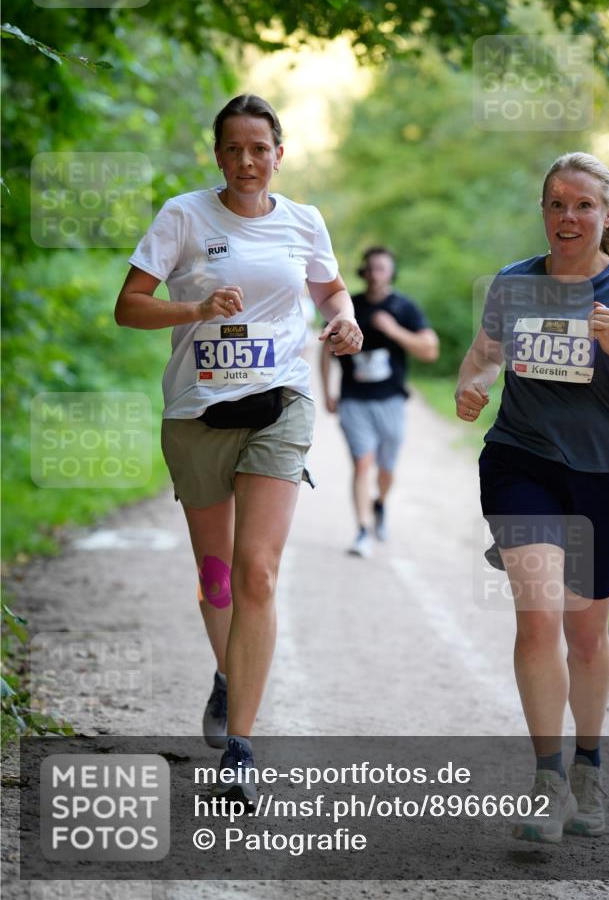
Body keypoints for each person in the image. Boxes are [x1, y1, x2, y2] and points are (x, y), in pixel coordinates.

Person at [115, 94, 362, 804]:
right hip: (197, 412)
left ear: (279, 154)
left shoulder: (304, 222)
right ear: (217, 156)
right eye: (234, 149)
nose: (248, 161)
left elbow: (332, 293)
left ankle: (243, 749)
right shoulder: (183, 216)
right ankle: (228, 672)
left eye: (261, 148)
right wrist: (193, 308)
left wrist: (344, 323)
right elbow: (127, 306)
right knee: (217, 576)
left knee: (256, 573)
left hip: (280, 404)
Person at [455, 151, 609, 843]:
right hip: (523, 463)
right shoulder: (515, 284)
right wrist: (472, 384)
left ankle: (587, 765)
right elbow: (486, 350)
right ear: (542, 214)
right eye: (555, 204)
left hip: (605, 477)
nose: (567, 216)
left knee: (584, 632)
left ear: (606, 216)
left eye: (581, 204)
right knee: (538, 617)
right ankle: (547, 781)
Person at [321, 246, 439, 556]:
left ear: (391, 272)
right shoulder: (350, 306)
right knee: (363, 463)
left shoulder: (404, 308)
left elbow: (430, 350)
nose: (376, 274)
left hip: (391, 400)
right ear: (363, 271)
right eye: (371, 268)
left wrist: (394, 330)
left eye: (382, 269)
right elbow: (324, 348)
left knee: (386, 468)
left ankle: (380, 503)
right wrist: (327, 392)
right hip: (354, 399)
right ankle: (362, 530)